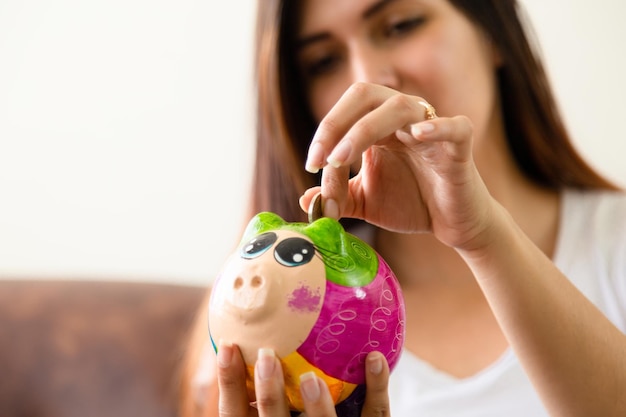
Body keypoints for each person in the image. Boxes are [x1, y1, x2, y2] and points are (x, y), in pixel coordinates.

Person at [179, 0, 626, 416]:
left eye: (400, 26)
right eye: (323, 61)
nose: (368, 76)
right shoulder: (253, 314)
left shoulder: (614, 244)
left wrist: (484, 236)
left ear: (493, 33)